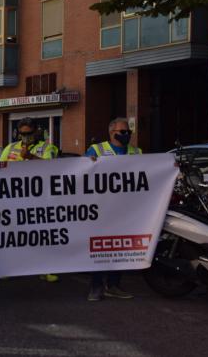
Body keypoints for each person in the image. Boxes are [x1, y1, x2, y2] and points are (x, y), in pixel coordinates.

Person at [85, 117, 141, 301]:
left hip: (127, 209)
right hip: (103, 207)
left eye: (128, 132)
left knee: (122, 247)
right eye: (122, 132)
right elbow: (84, 174)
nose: (126, 135)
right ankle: (96, 286)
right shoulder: (96, 150)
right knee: (101, 247)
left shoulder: (136, 152)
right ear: (111, 132)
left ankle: (114, 285)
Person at [0, 117, 60, 282]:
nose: (25, 136)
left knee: (42, 235)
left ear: (36, 132)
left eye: (29, 133)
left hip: (39, 199)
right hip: (13, 198)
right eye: (22, 133)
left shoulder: (47, 147)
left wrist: (30, 157)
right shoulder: (10, 148)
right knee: (11, 235)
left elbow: (53, 168)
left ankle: (46, 268)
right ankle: (9, 267)